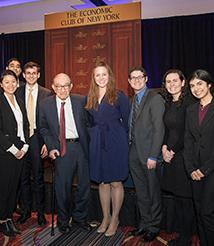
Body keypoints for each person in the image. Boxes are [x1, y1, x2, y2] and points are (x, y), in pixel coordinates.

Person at [39, 73, 91, 234]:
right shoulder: (45, 104)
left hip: (81, 147)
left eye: (66, 85)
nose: (62, 89)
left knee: (84, 186)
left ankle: (80, 218)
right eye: (59, 86)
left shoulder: (81, 100)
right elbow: (43, 128)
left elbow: (90, 124)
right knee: (63, 188)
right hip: (61, 148)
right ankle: (63, 220)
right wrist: (51, 145)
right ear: (53, 87)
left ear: (71, 86)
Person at [184, 69, 214, 246]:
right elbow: (188, 140)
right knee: (199, 212)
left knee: (209, 213)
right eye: (192, 86)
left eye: (200, 84)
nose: (196, 89)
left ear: (209, 84)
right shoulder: (191, 110)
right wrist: (191, 168)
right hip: (195, 170)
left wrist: (204, 169)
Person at [85, 62, 130, 237]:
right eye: (97, 75)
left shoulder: (119, 95)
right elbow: (89, 121)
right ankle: (105, 217)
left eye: (104, 74)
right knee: (102, 182)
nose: (101, 78)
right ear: (94, 78)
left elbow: (126, 123)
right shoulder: (90, 96)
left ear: (109, 76)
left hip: (116, 141)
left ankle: (115, 219)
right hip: (97, 141)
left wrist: (122, 143)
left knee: (115, 182)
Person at [127, 66, 165, 242]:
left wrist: (153, 155)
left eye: (139, 77)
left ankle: (154, 226)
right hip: (134, 152)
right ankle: (144, 223)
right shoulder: (133, 99)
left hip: (149, 154)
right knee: (141, 191)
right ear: (129, 81)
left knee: (153, 192)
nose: (136, 80)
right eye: (133, 78)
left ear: (146, 78)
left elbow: (159, 129)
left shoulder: (154, 98)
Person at [160, 69, 196, 245]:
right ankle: (182, 234)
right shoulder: (168, 103)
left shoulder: (190, 103)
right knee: (178, 197)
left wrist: (172, 149)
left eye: (175, 81)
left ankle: (186, 238)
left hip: (183, 156)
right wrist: (164, 147)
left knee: (185, 198)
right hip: (171, 156)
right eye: (168, 82)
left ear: (183, 82)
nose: (172, 84)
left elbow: (187, 131)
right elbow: (167, 130)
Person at [0, 70, 29, 237]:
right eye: (6, 82)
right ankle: (2, 220)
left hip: (21, 150)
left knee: (14, 187)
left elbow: (25, 126)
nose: (10, 85)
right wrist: (13, 149)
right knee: (4, 188)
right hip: (5, 151)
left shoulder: (20, 100)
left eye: (13, 81)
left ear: (17, 83)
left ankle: (9, 219)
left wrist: (25, 147)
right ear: (1, 84)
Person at [15, 62, 51, 226]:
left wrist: (46, 143)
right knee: (23, 177)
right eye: (27, 73)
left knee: (38, 177)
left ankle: (41, 213)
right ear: (23, 75)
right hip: (22, 138)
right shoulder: (16, 92)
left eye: (34, 73)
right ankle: (26, 211)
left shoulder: (47, 93)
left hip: (38, 138)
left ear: (38, 75)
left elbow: (49, 121)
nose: (30, 75)